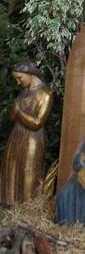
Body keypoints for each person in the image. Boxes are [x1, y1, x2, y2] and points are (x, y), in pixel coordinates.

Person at [0, 62, 52, 205]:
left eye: (19, 78)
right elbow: (12, 117)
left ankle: (28, 206)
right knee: (13, 166)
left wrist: (19, 111)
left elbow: (37, 123)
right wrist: (15, 109)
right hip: (17, 134)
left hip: (33, 138)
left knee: (29, 169)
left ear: (30, 75)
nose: (18, 82)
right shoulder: (24, 93)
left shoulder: (45, 94)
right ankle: (12, 203)